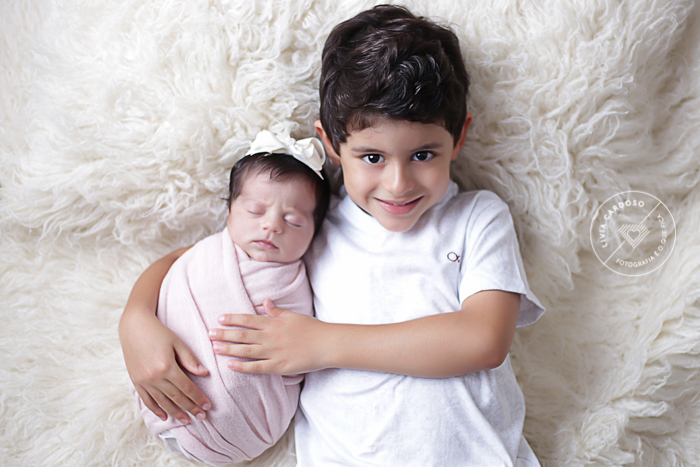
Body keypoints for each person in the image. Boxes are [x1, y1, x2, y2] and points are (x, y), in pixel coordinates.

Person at [120, 5, 546, 466]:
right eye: (372, 157)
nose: (398, 183)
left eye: (423, 155)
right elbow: (189, 257)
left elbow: (483, 339)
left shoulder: (477, 217)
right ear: (332, 145)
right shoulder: (310, 225)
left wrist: (319, 344)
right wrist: (135, 320)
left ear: (459, 138)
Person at [127, 130, 331, 465]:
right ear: (230, 211)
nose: (272, 226)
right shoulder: (207, 253)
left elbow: (299, 355)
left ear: (314, 233)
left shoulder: (295, 283)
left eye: (293, 220)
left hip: (250, 427)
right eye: (255, 210)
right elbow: (172, 271)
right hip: (162, 394)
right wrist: (135, 317)